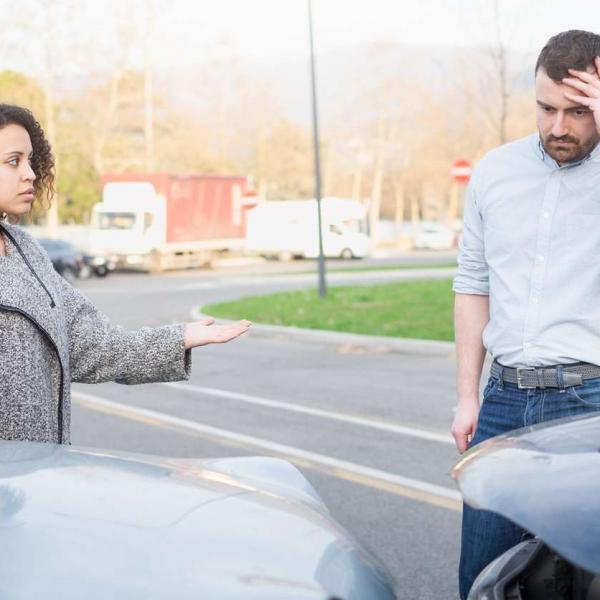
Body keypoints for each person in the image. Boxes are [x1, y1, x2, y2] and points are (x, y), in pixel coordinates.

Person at [0, 103, 251, 445]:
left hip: (43, 479)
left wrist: (180, 338)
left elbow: (95, 345)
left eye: (30, 160)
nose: (29, 173)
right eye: (13, 161)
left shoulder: (27, 250)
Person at [452, 29, 600, 599]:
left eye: (578, 111)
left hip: (590, 407)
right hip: (503, 405)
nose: (559, 127)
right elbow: (473, 285)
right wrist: (468, 396)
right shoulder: (495, 172)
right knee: (482, 582)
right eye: (545, 108)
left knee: (584, 582)